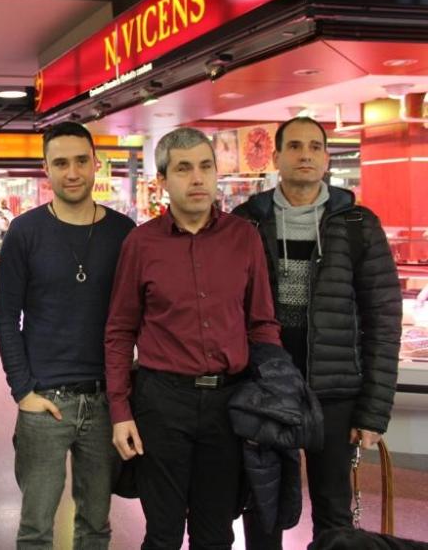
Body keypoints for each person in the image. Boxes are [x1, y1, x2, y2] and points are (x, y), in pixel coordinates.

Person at [104, 127, 282, 550]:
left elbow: (261, 322)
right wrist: (119, 410)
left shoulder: (243, 238)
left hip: (228, 403)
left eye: (205, 166)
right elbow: (119, 330)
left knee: (216, 533)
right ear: (163, 180)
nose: (197, 178)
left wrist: (276, 391)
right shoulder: (141, 244)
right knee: (162, 533)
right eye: (183, 169)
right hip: (162, 403)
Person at [232, 116, 402, 547]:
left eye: (314, 146)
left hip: (336, 392)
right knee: (262, 502)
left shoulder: (357, 225)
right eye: (294, 146)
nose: (304, 154)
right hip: (267, 389)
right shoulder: (246, 222)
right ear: (276, 158)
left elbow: (383, 319)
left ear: (326, 158)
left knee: (334, 511)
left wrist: (372, 412)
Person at [0, 122, 135, 548]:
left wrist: (123, 397)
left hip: (104, 399)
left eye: (80, 161)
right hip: (45, 403)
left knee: (96, 523)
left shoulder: (123, 232)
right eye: (60, 163)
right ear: (46, 169)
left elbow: (135, 316)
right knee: (36, 527)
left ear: (96, 164)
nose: (72, 172)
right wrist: (23, 391)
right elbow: (6, 319)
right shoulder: (25, 231)